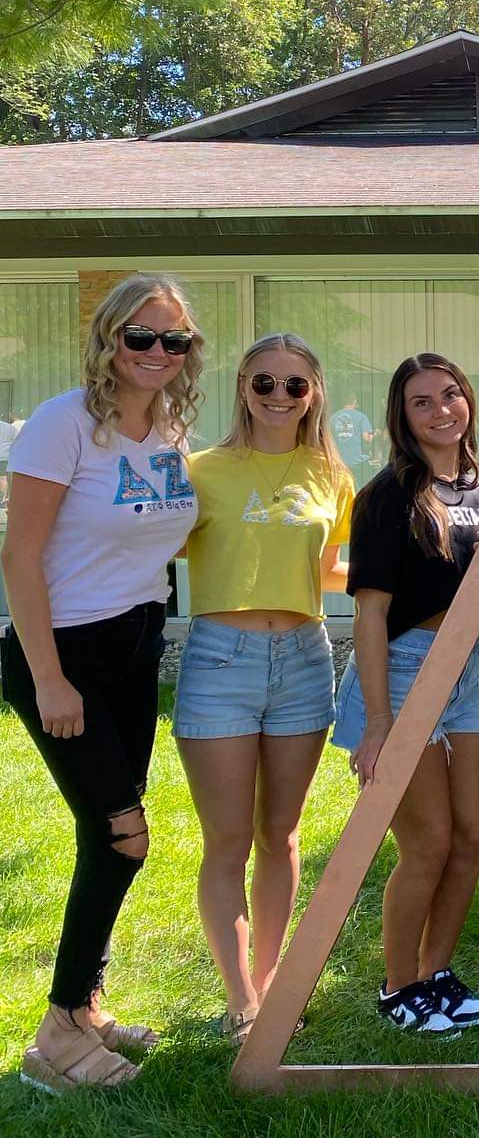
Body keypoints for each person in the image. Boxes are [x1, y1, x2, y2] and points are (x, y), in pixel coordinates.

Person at [0, 274, 201, 1092]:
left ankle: (86, 1007)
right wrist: (49, 679)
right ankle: (56, 1041)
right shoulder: (63, 425)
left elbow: (159, 539)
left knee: (104, 835)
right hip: (66, 654)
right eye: (141, 337)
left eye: (174, 341)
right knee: (125, 835)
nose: (157, 353)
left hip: (134, 644)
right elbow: (20, 557)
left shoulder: (168, 430)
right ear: (109, 339)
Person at [174, 333, 353, 1043]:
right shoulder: (200, 469)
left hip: (306, 657)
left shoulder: (331, 473)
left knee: (277, 835)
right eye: (264, 383)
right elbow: (149, 548)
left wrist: (418, 571)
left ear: (314, 396)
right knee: (227, 839)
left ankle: (274, 988)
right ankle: (239, 998)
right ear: (242, 387)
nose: (279, 397)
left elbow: (331, 570)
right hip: (220, 657)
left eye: (295, 386)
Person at [334, 355, 479, 1035]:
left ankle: (437, 975)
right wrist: (380, 722)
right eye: (421, 402)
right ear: (402, 417)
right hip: (405, 672)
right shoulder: (387, 496)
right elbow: (371, 615)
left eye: (450, 395)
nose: (441, 409)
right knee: (429, 843)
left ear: (468, 400)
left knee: (470, 837)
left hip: (468, 676)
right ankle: (397, 985)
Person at [331, 393, 375, 479]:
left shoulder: (333, 418)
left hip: (340, 463)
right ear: (354, 401)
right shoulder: (361, 417)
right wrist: (374, 435)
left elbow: (329, 440)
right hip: (358, 463)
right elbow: (367, 438)